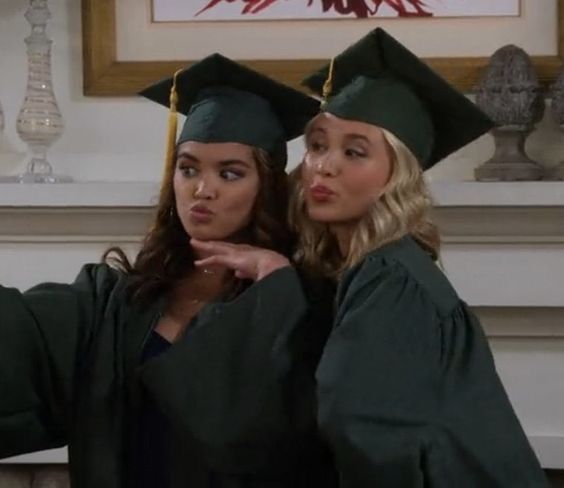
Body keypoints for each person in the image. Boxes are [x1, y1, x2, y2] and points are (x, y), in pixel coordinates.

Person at [197, 29, 549, 486]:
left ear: (395, 176)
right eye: (318, 145)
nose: (324, 165)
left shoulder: (391, 279)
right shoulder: (356, 271)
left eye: (355, 151)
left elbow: (367, 434)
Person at [0, 53, 329, 488]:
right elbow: (21, 335)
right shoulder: (118, 301)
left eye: (230, 174)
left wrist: (275, 288)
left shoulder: (298, 301)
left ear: (265, 187)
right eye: (188, 168)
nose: (201, 189)